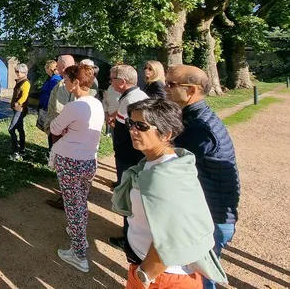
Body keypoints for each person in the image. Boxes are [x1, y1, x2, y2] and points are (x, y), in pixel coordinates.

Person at [112, 98, 227, 289]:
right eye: (131, 123)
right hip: (151, 269)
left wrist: (144, 275)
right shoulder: (161, 164)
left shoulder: (165, 178)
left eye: (141, 126)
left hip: (164, 277)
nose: (132, 130)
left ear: (166, 134)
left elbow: (172, 236)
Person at [166, 65, 240, 289]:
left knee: (197, 277)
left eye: (171, 85)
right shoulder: (195, 118)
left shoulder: (199, 128)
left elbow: (175, 168)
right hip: (209, 214)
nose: (165, 89)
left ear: (191, 91)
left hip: (209, 218)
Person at [48, 64, 105, 273]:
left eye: (67, 79)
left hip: (71, 160)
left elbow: (54, 127)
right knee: (81, 201)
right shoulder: (97, 104)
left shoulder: (74, 107)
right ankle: (78, 233)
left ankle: (79, 254)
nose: (65, 83)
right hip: (89, 160)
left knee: (72, 205)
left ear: (77, 82)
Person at [109, 64, 148, 250]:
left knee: (128, 195)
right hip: (132, 155)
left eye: (112, 79)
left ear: (122, 82)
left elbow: (127, 130)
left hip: (128, 156)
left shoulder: (130, 100)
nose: (110, 82)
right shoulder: (136, 96)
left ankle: (128, 238)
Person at [9, 63, 31, 160]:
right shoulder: (20, 81)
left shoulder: (25, 83)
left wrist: (17, 103)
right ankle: (22, 149)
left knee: (11, 129)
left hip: (20, 110)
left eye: (18, 72)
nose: (16, 73)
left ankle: (16, 152)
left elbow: (24, 96)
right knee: (20, 129)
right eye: (16, 71)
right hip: (17, 109)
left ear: (24, 72)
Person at [37, 59, 62, 132]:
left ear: (49, 68)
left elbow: (53, 95)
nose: (45, 69)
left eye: (45, 67)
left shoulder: (55, 80)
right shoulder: (52, 78)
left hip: (48, 108)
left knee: (49, 129)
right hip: (46, 106)